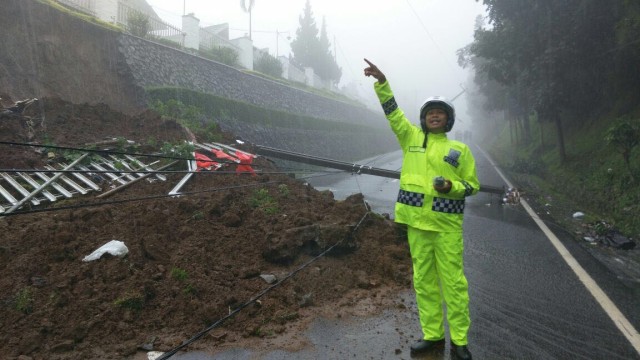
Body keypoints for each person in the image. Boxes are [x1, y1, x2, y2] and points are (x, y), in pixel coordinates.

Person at [364, 58, 478, 360]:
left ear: (448, 119)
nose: (435, 116)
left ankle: (461, 341)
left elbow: (472, 186)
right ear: (424, 118)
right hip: (417, 226)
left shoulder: (460, 150)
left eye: (440, 113)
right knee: (424, 283)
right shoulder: (411, 138)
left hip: (446, 228)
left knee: (454, 284)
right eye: (430, 113)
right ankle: (433, 335)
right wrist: (382, 84)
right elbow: (393, 115)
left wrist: (450, 188)